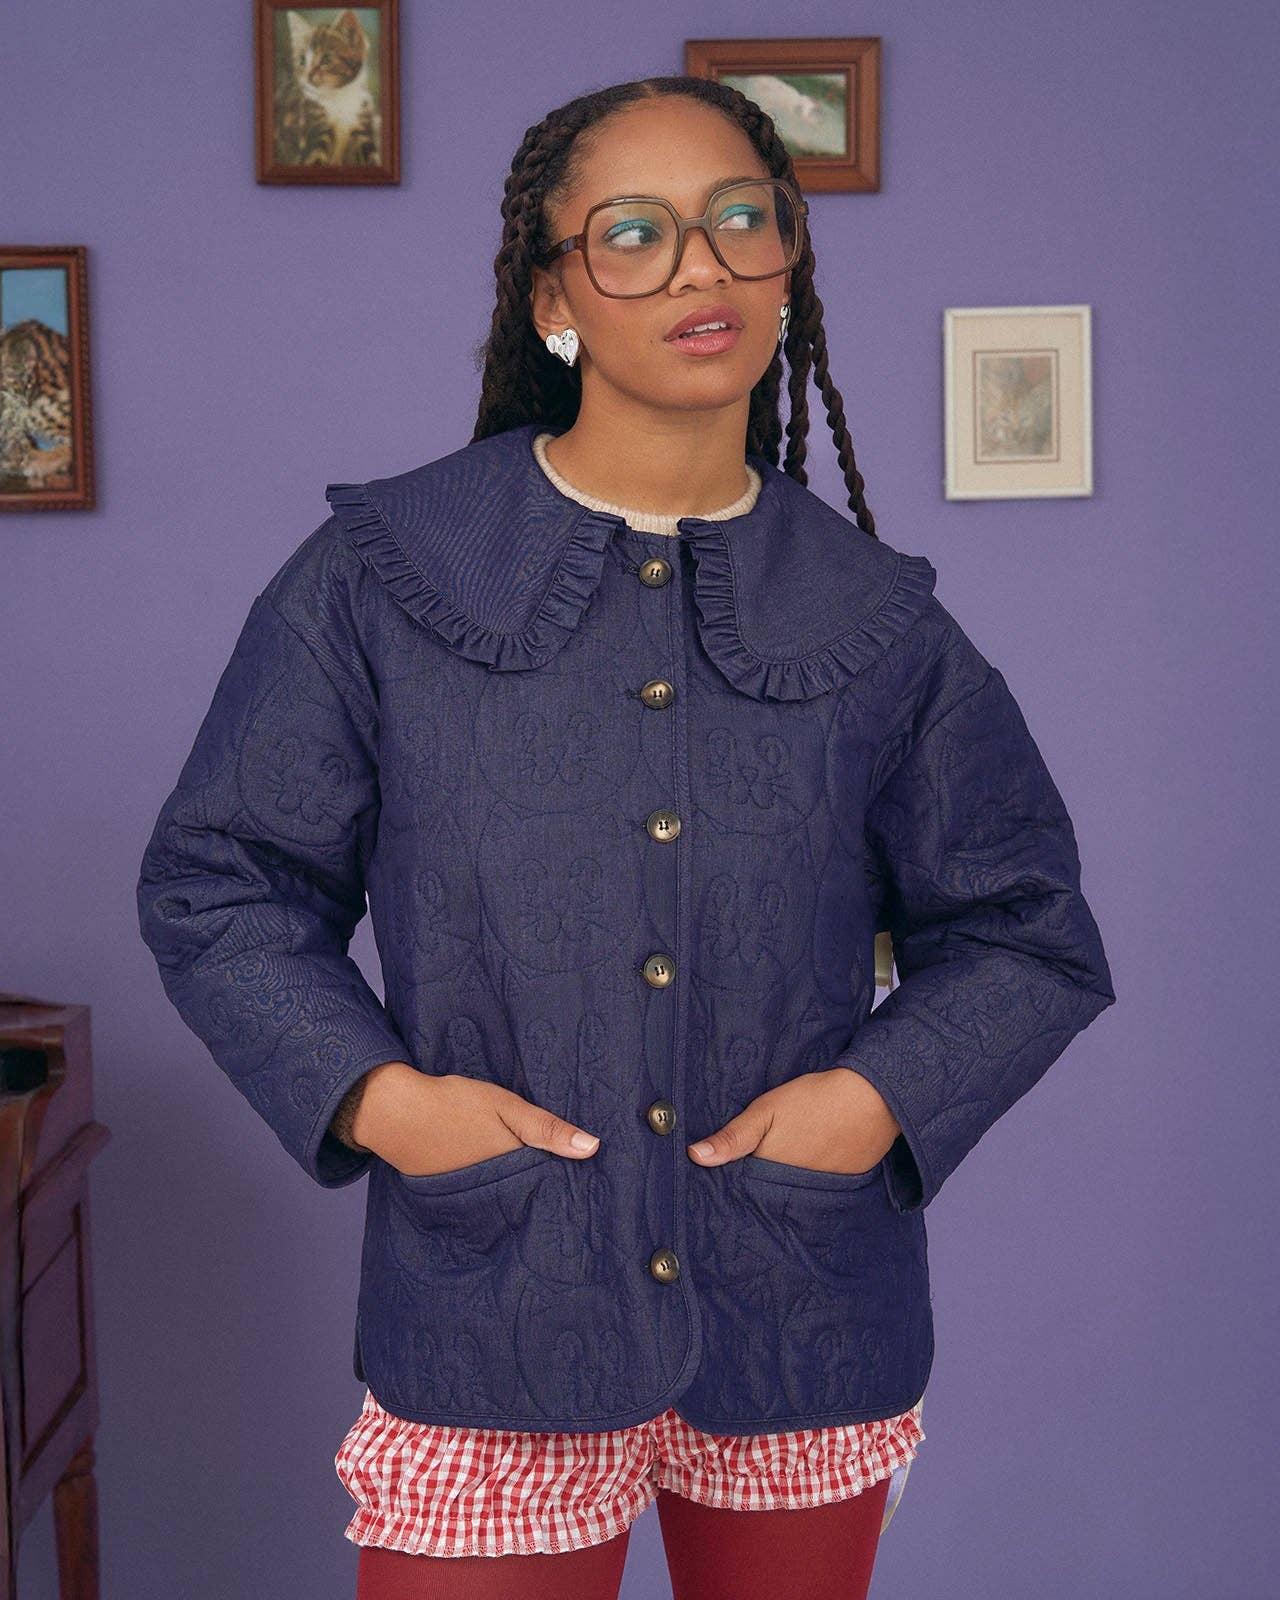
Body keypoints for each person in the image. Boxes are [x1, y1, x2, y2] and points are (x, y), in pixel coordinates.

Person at [136, 74, 1115, 1600]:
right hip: (492, 1299)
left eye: (740, 221)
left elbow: (1025, 930)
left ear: (787, 264)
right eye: (636, 233)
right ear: (555, 300)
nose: (699, 267)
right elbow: (221, 881)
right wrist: (385, 1102)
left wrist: (875, 1101)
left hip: (801, 1306)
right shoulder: (381, 577)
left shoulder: (881, 620)